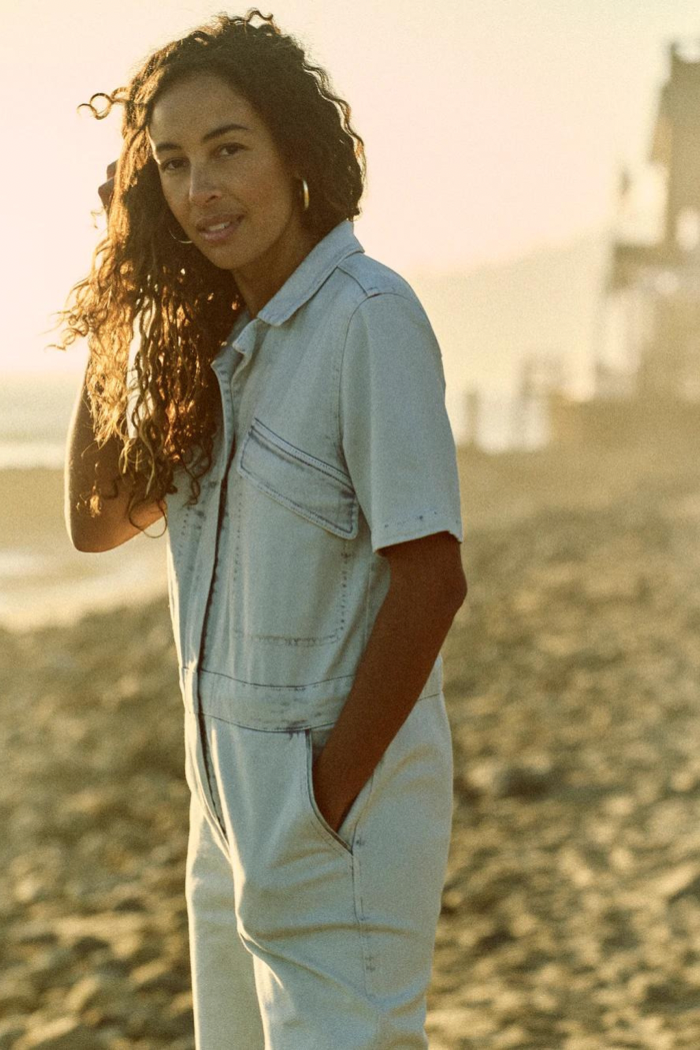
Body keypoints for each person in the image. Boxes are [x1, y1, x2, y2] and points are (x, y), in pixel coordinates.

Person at [59, 9, 467, 1048]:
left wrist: (320, 806)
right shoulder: (217, 348)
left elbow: (431, 578)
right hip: (224, 815)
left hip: (328, 820)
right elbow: (96, 521)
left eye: (229, 149)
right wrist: (120, 296)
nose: (201, 188)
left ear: (296, 153)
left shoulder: (366, 316)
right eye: (173, 163)